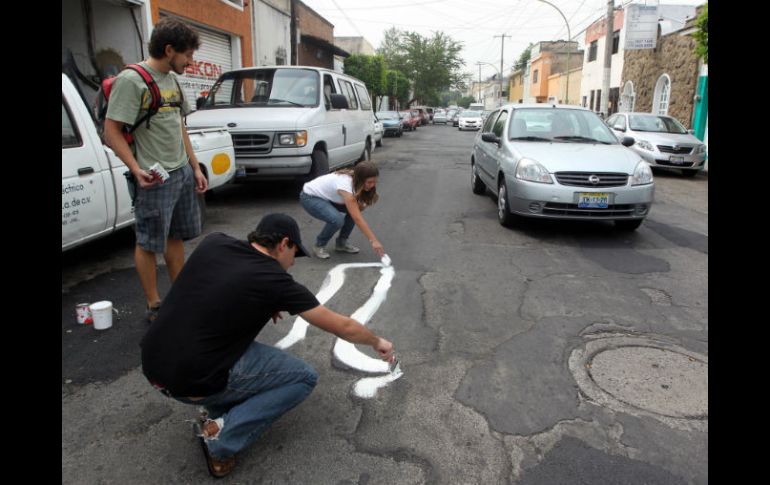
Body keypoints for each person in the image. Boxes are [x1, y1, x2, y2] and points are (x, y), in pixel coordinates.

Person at [140, 213, 395, 478]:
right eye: (294, 254)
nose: (293, 264)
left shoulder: (214, 242)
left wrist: (263, 302)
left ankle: (217, 409)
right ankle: (221, 439)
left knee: (222, 346)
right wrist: (377, 341)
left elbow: (212, 286)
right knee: (302, 378)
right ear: (284, 244)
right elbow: (344, 327)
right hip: (190, 380)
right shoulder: (276, 282)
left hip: (153, 363)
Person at [104, 17, 208, 323]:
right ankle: (154, 305)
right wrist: (136, 169)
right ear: (168, 49)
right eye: (187, 55)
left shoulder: (173, 80)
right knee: (148, 242)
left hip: (181, 173)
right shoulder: (132, 80)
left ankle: (180, 296)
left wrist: (195, 167)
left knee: (175, 237)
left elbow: (180, 126)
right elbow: (111, 132)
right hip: (153, 178)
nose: (190, 61)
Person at [299, 161, 385, 259]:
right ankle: (319, 245)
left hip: (328, 197)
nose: (372, 185)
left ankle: (341, 244)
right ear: (360, 179)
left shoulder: (356, 180)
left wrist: (362, 204)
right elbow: (357, 218)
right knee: (337, 220)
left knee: (354, 210)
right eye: (369, 182)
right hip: (310, 197)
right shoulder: (346, 186)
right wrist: (374, 241)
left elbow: (359, 209)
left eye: (375, 182)